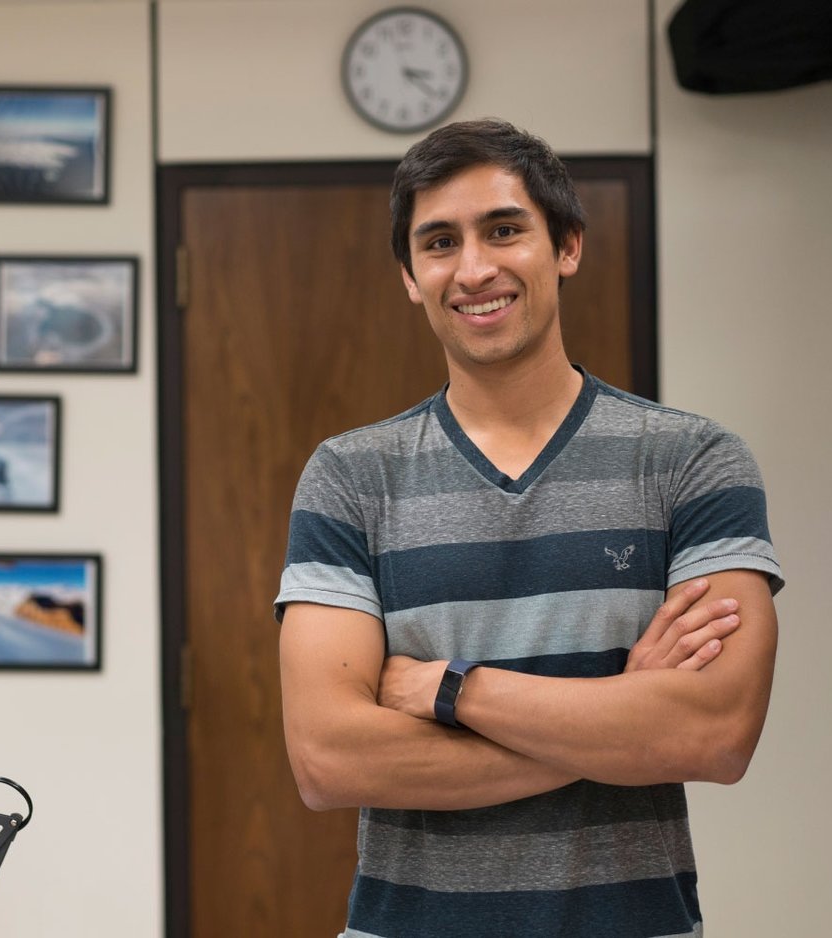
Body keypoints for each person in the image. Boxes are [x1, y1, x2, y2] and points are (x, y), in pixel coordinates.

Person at [276, 120, 777, 936]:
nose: (474, 269)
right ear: (410, 276)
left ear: (567, 246)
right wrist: (620, 717)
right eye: (439, 243)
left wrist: (448, 690)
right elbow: (330, 760)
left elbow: (714, 734)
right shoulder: (349, 477)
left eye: (504, 230)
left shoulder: (692, 461)